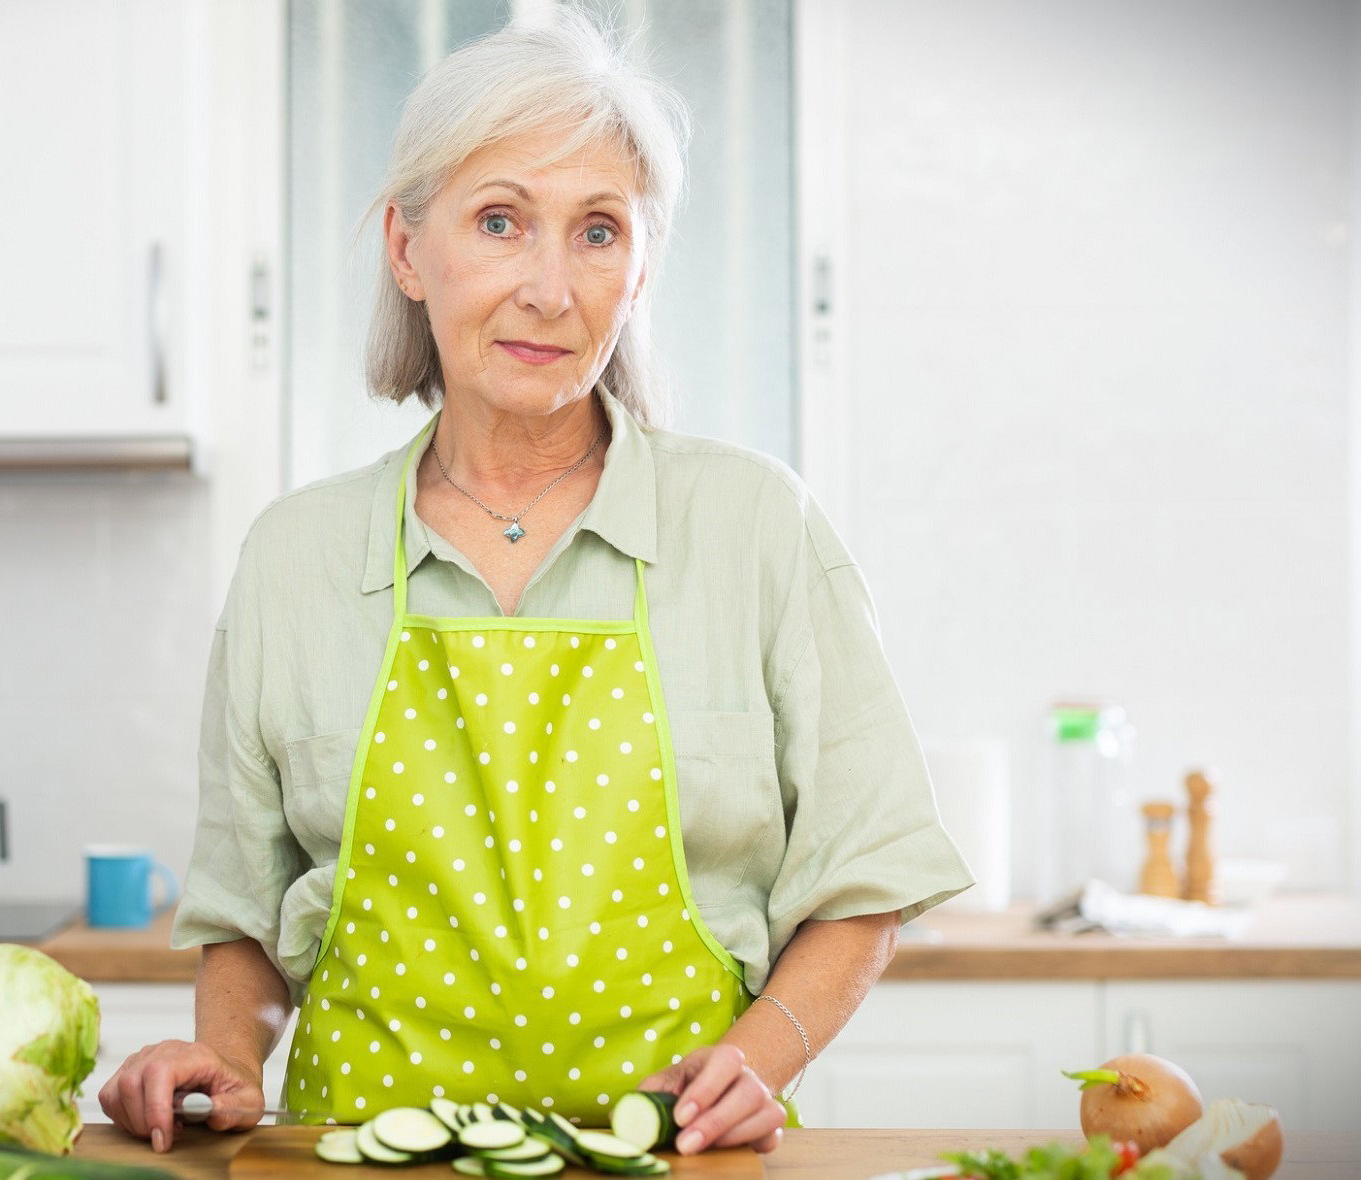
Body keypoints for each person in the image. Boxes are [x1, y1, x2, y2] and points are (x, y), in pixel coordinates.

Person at [101, 7, 972, 1157]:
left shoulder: (755, 526)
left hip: (677, 1155)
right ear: (408, 250)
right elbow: (248, 920)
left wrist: (755, 1062)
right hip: (351, 1155)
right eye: (501, 221)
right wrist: (226, 1056)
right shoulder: (293, 558)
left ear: (641, 267)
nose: (550, 288)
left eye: (598, 232)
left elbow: (867, 875)